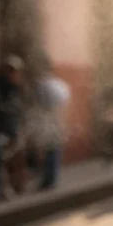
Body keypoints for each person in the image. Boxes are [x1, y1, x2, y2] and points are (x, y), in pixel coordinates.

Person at [0, 56, 28, 198]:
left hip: (15, 131)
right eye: (11, 72)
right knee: (0, 162)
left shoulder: (17, 90)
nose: (15, 75)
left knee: (18, 160)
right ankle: (5, 190)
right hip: (1, 133)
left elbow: (22, 111)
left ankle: (19, 187)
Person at [30, 58, 70, 190]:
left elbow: (39, 105)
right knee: (54, 152)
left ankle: (48, 179)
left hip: (48, 124)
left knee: (49, 152)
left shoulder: (43, 86)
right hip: (56, 123)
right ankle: (51, 178)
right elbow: (66, 102)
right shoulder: (59, 85)